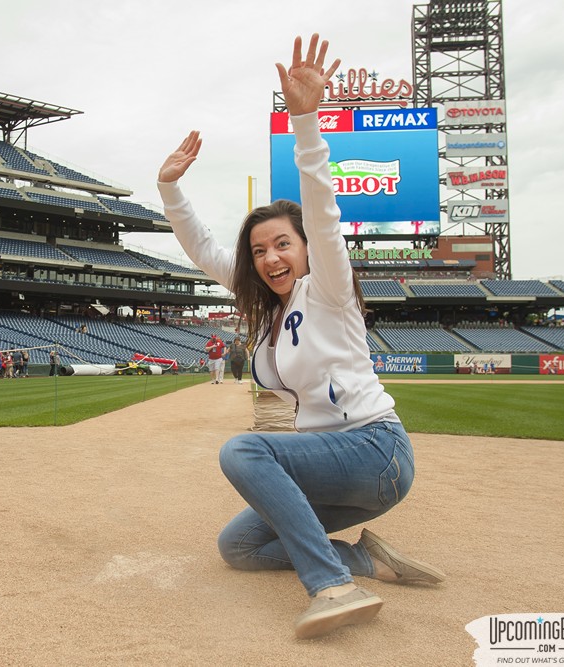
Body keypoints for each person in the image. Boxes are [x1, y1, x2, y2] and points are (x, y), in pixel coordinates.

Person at [156, 34, 443, 640]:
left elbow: (323, 209)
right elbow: (207, 251)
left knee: (244, 449)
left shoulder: (329, 288)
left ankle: (330, 585)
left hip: (376, 453)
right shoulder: (272, 309)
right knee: (239, 545)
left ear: (307, 248)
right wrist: (171, 191)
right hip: (331, 467)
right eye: (259, 250)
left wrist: (305, 120)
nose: (270, 256)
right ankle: (365, 558)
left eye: (283, 243)